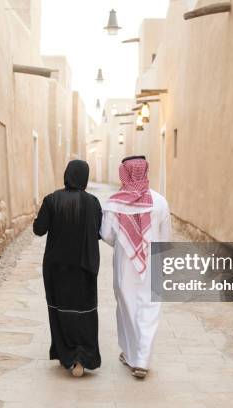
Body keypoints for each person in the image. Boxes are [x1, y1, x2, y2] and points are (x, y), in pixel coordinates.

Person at [100, 155, 171, 379]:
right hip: (153, 262)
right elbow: (166, 239)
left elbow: (107, 236)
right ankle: (142, 359)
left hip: (124, 265)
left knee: (128, 307)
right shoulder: (160, 201)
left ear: (124, 172)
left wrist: (125, 244)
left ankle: (132, 355)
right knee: (149, 308)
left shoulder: (113, 203)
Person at [33, 160, 102, 377]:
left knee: (59, 310)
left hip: (56, 268)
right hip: (84, 266)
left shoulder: (51, 200)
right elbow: (98, 231)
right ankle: (82, 357)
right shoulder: (93, 202)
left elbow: (39, 230)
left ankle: (66, 356)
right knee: (85, 312)